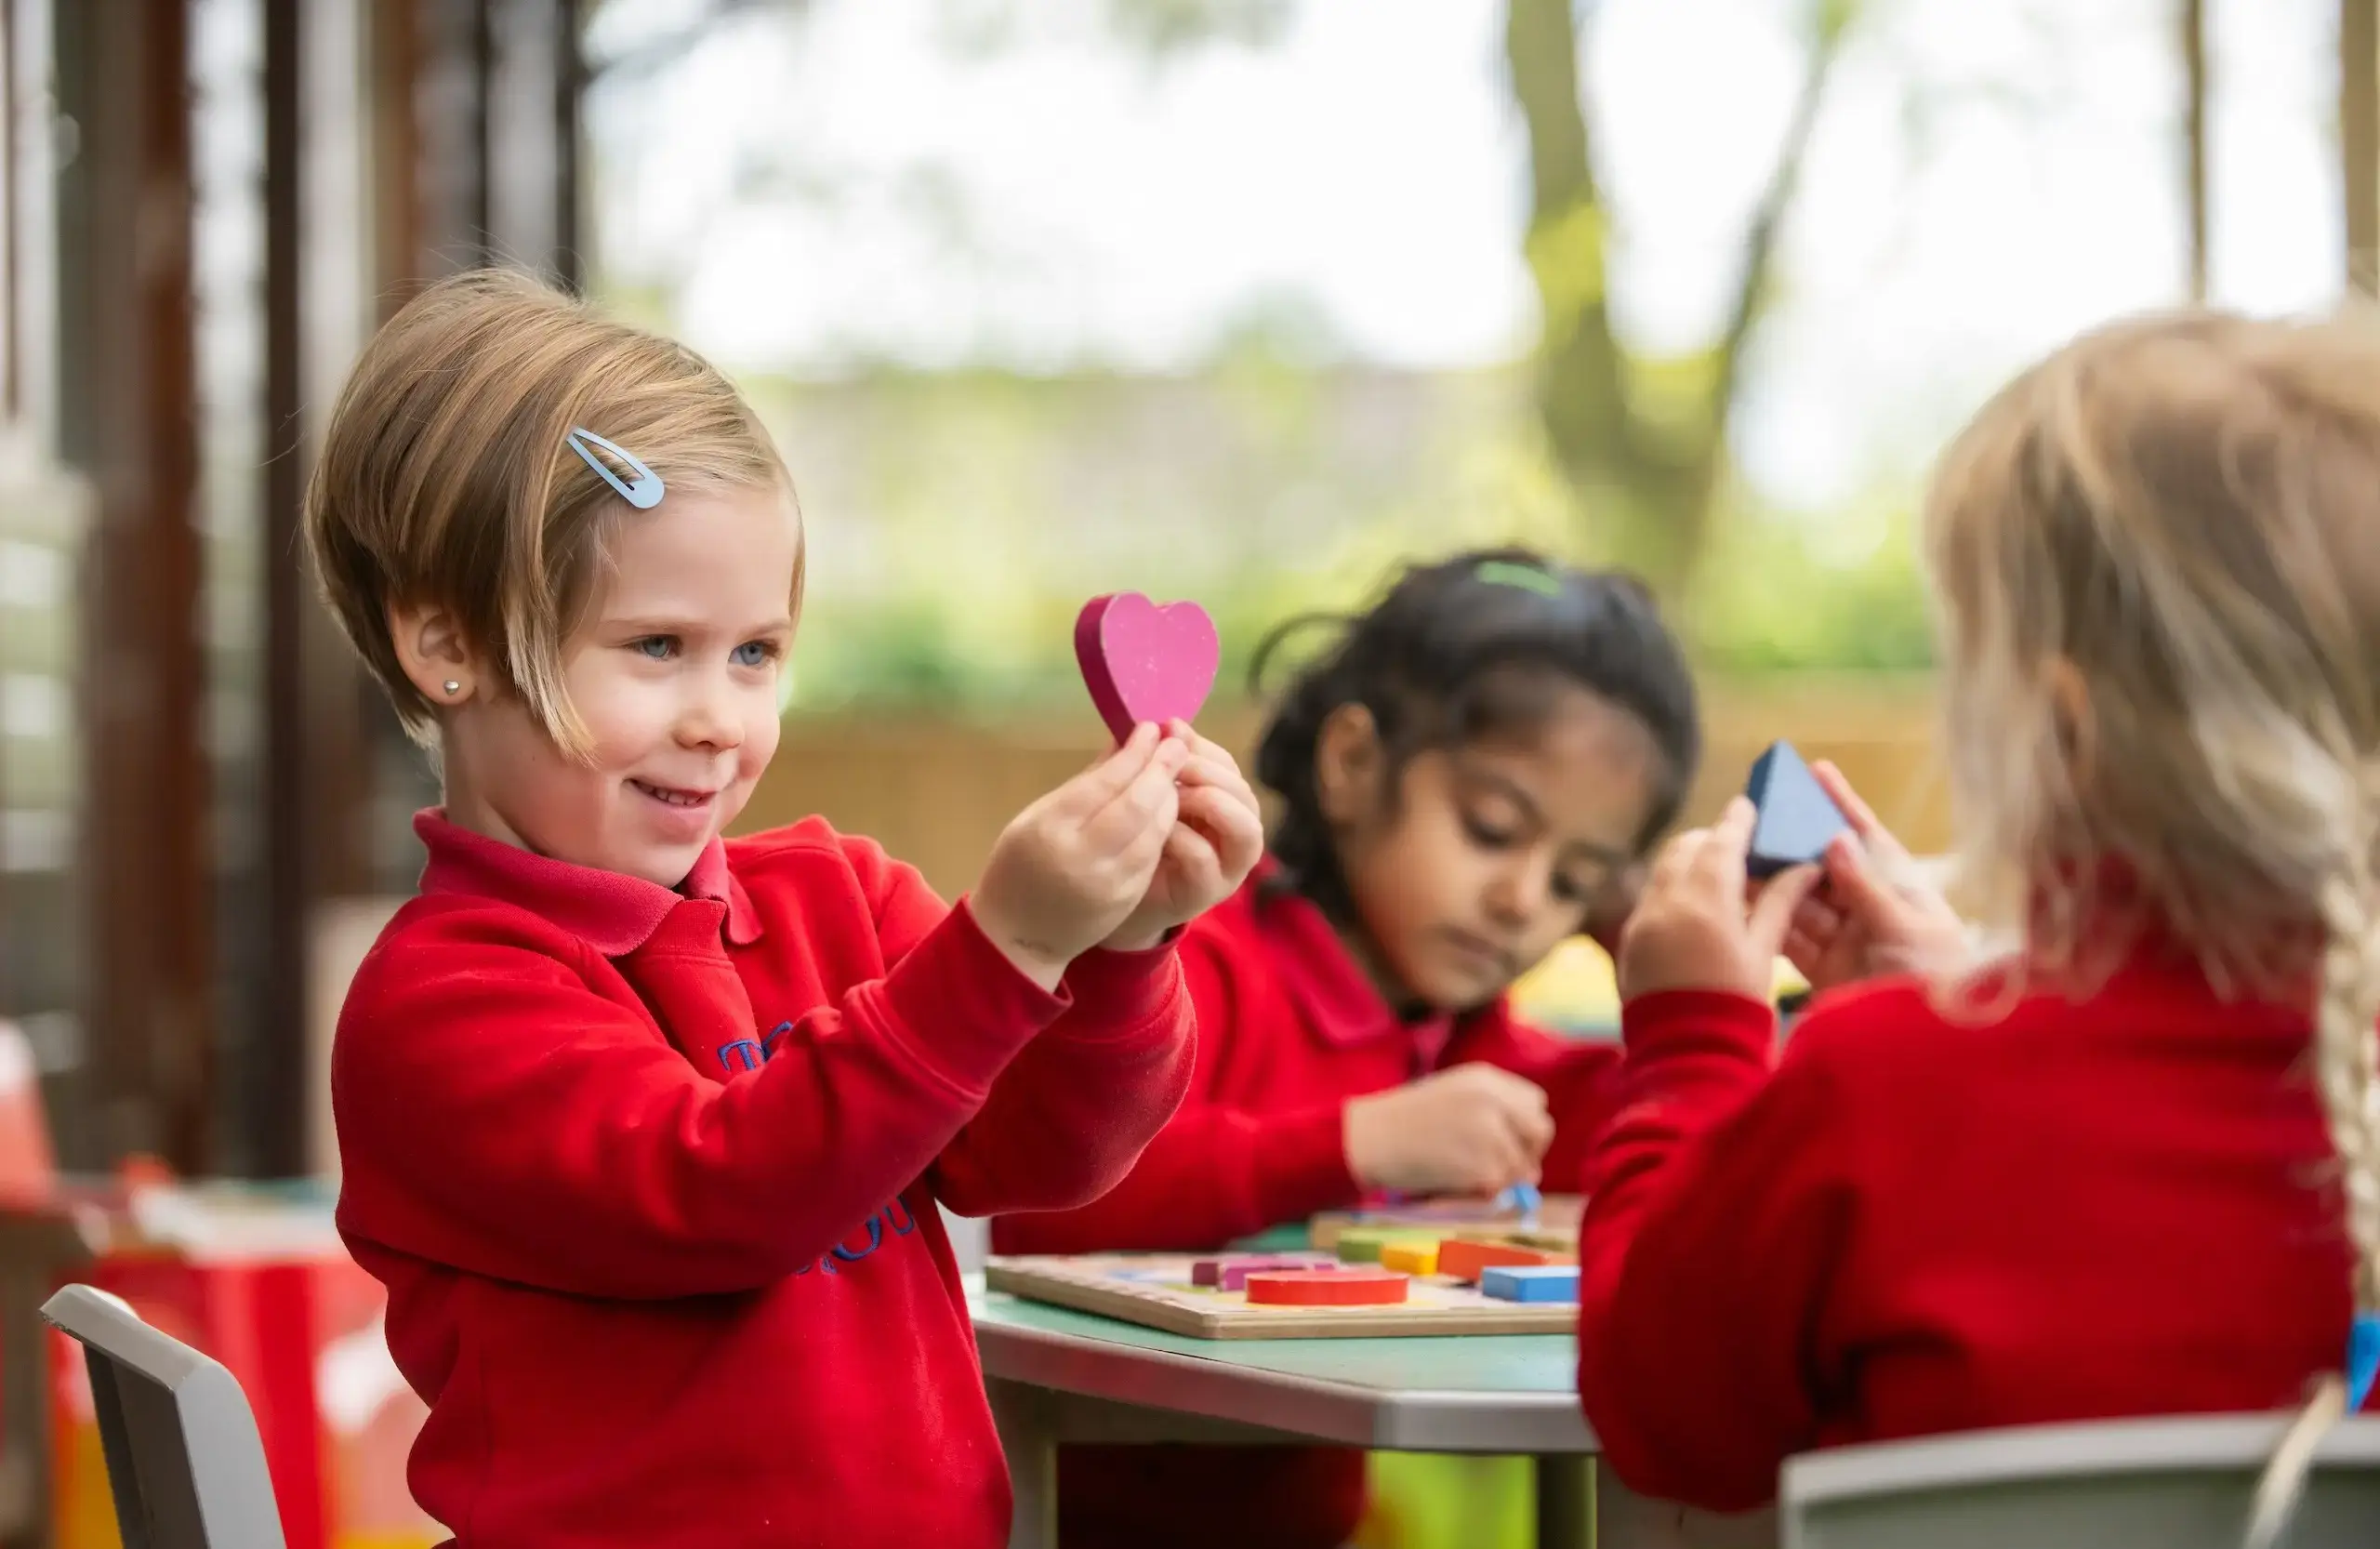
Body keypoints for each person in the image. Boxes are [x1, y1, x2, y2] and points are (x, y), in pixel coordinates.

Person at [305, 268, 1265, 1549]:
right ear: (447, 645)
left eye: (755, 652)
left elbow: (1039, 1158)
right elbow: (720, 1191)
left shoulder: (841, 898)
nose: (720, 718)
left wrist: (1132, 939)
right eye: (657, 646)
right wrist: (1011, 944)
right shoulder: (443, 1002)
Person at [1579, 309, 2380, 1545]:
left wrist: (1691, 1042)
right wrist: (1962, 992)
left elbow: (1666, 1424)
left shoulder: (1877, 1090)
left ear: (2063, 731)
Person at [995, 546, 1702, 1549]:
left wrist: (1660, 958)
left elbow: (1680, 1144)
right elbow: (1029, 1206)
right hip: (1069, 1517)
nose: (1521, 900)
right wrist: (1356, 1144)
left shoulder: (1469, 1040)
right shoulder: (1187, 955)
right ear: (1353, 763)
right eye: (1493, 829)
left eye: (1574, 881)